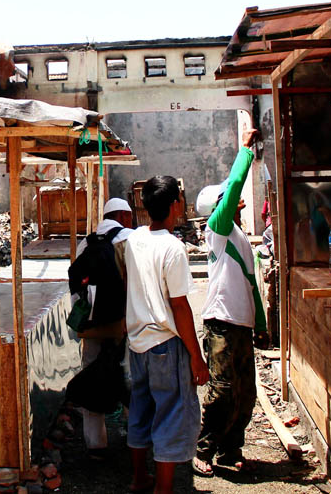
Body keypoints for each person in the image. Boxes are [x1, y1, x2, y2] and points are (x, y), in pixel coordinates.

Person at [124, 176, 209, 494]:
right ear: (176, 205)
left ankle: (138, 478)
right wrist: (196, 357)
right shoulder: (173, 248)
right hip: (165, 343)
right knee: (172, 412)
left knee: (142, 407)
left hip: (138, 343)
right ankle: (163, 487)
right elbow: (180, 307)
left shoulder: (134, 239)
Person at [192, 128, 269, 475]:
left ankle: (229, 449)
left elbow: (252, 286)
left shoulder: (237, 236)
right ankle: (203, 451)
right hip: (221, 322)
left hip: (241, 324)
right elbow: (235, 186)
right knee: (222, 391)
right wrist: (244, 152)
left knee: (245, 394)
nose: (237, 199)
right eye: (228, 197)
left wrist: (262, 326)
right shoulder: (217, 229)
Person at [74, 197, 134, 459]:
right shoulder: (131, 239)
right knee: (131, 379)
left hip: (91, 325)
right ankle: (136, 438)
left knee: (91, 376)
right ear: (122, 216)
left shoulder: (84, 243)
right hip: (124, 324)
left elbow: (77, 289)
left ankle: (95, 443)